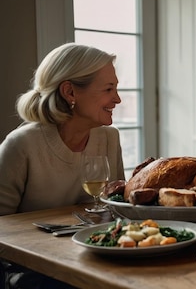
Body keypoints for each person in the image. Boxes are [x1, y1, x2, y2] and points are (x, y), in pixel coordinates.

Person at [0, 43, 125, 288]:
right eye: (109, 89)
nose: (117, 99)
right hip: (31, 270)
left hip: (90, 258)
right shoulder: (21, 145)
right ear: (70, 92)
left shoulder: (109, 137)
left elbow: (116, 208)